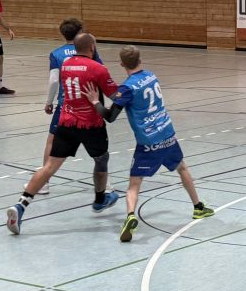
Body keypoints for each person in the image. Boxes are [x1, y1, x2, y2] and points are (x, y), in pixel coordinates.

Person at [81, 46, 214, 242]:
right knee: (182, 168)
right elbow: (130, 95)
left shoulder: (127, 88)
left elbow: (110, 116)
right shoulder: (152, 76)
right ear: (140, 60)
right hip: (167, 133)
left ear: (121, 64)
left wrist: (95, 102)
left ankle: (130, 216)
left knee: (134, 184)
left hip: (148, 142)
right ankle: (198, 207)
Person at [6, 33, 120, 235]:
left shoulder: (66, 64)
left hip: (67, 122)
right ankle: (100, 199)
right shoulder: (98, 68)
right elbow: (115, 94)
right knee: (101, 159)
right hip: (91, 125)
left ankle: (21, 205)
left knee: (49, 166)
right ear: (92, 47)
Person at [34, 18, 103, 195]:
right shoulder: (89, 50)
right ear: (80, 33)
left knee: (52, 141)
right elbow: (101, 72)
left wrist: (49, 102)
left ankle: (44, 184)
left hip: (66, 104)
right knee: (96, 144)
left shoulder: (56, 54)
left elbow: (54, 81)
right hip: (89, 104)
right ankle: (105, 185)